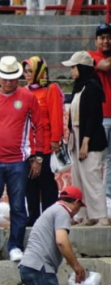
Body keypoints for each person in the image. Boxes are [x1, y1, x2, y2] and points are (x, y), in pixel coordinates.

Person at [0, 56, 46, 263]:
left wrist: (38, 156)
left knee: (17, 206)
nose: (8, 82)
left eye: (12, 78)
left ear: (18, 78)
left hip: (19, 161)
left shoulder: (28, 97)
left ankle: (15, 245)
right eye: (4, 78)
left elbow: (39, 126)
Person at [64, 51, 110, 225]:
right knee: (78, 177)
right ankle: (85, 214)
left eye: (74, 67)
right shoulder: (79, 86)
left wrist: (85, 142)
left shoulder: (92, 87)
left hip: (89, 138)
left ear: (82, 68)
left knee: (91, 176)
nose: (71, 71)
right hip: (76, 136)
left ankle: (100, 216)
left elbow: (93, 117)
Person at [22, 57, 65, 227]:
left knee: (46, 182)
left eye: (30, 71)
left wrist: (55, 139)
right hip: (27, 147)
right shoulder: (24, 92)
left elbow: (56, 114)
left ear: (39, 72)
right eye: (24, 71)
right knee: (29, 183)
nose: (26, 75)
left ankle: (49, 217)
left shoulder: (50, 89)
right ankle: (33, 217)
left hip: (46, 144)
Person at [87, 23, 111, 198]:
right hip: (100, 116)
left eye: (109, 37)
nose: (106, 41)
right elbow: (105, 66)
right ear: (95, 41)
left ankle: (108, 198)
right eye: (102, 37)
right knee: (95, 161)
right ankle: (95, 201)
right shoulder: (90, 56)